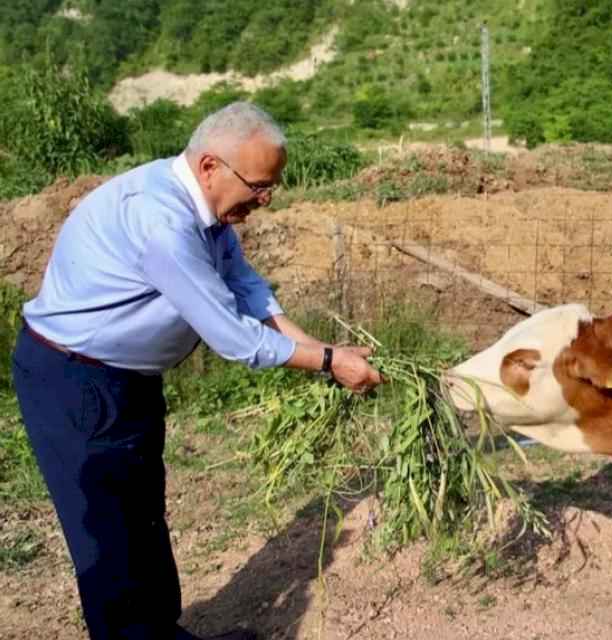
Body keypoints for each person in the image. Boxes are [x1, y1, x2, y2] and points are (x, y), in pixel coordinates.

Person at [11, 101, 384, 640]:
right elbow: (234, 337)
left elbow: (248, 290)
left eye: (271, 185)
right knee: (111, 541)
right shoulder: (162, 220)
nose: (266, 198)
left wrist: (321, 349)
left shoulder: (206, 214)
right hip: (76, 384)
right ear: (211, 166)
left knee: (144, 521)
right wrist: (329, 363)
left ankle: (164, 633)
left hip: (125, 381)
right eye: (258, 185)